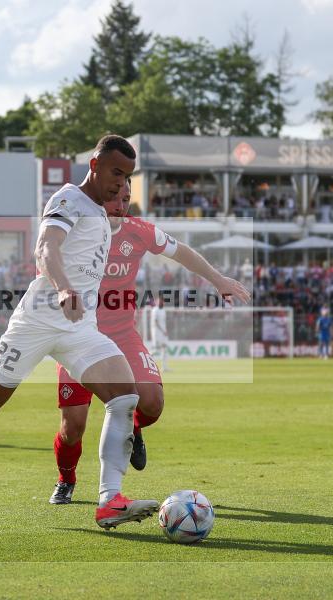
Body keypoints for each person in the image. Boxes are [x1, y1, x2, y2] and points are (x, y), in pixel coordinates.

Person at [0, 135, 156, 530]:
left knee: (125, 393)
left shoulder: (104, 214)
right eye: (116, 172)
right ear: (94, 165)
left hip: (80, 328)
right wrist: (62, 287)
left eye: (127, 176)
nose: (121, 183)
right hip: (37, 322)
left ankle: (110, 500)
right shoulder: (67, 199)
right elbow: (46, 248)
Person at [50, 185, 251, 505]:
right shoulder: (76, 229)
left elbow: (181, 251)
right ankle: (66, 479)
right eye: (113, 197)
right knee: (72, 427)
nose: (119, 205)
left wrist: (218, 279)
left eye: (125, 200)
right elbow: (48, 256)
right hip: (80, 338)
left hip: (122, 334)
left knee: (153, 403)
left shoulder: (138, 231)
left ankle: (133, 426)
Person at [150, 297, 168, 373]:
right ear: (157, 302)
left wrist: (165, 330)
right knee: (155, 350)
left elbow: (163, 322)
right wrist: (163, 330)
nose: (162, 303)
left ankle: (164, 367)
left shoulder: (163, 310)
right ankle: (148, 360)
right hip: (157, 332)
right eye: (160, 301)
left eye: (163, 301)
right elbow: (155, 322)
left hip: (163, 332)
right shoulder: (155, 310)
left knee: (164, 348)